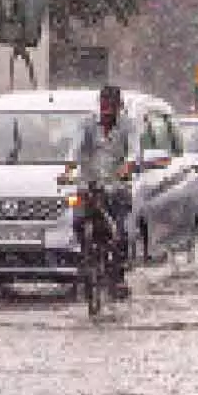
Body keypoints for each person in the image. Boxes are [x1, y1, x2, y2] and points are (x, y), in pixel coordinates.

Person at [75, 85, 133, 299]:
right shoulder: (88, 124)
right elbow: (76, 148)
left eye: (112, 106)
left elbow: (134, 150)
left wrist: (128, 165)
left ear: (119, 107)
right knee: (78, 221)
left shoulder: (128, 126)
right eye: (104, 105)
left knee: (120, 230)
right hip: (90, 185)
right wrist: (70, 168)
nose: (107, 110)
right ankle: (86, 260)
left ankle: (118, 275)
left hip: (117, 186)